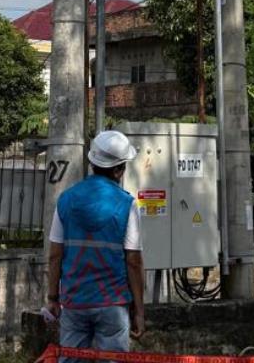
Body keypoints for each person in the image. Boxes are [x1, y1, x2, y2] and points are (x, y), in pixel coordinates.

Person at [47, 131, 145, 357]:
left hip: (74, 301)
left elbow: (55, 255)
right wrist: (139, 310)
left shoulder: (66, 199)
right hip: (113, 303)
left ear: (92, 163)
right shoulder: (127, 204)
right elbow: (134, 262)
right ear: (119, 169)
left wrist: (53, 298)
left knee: (71, 359)